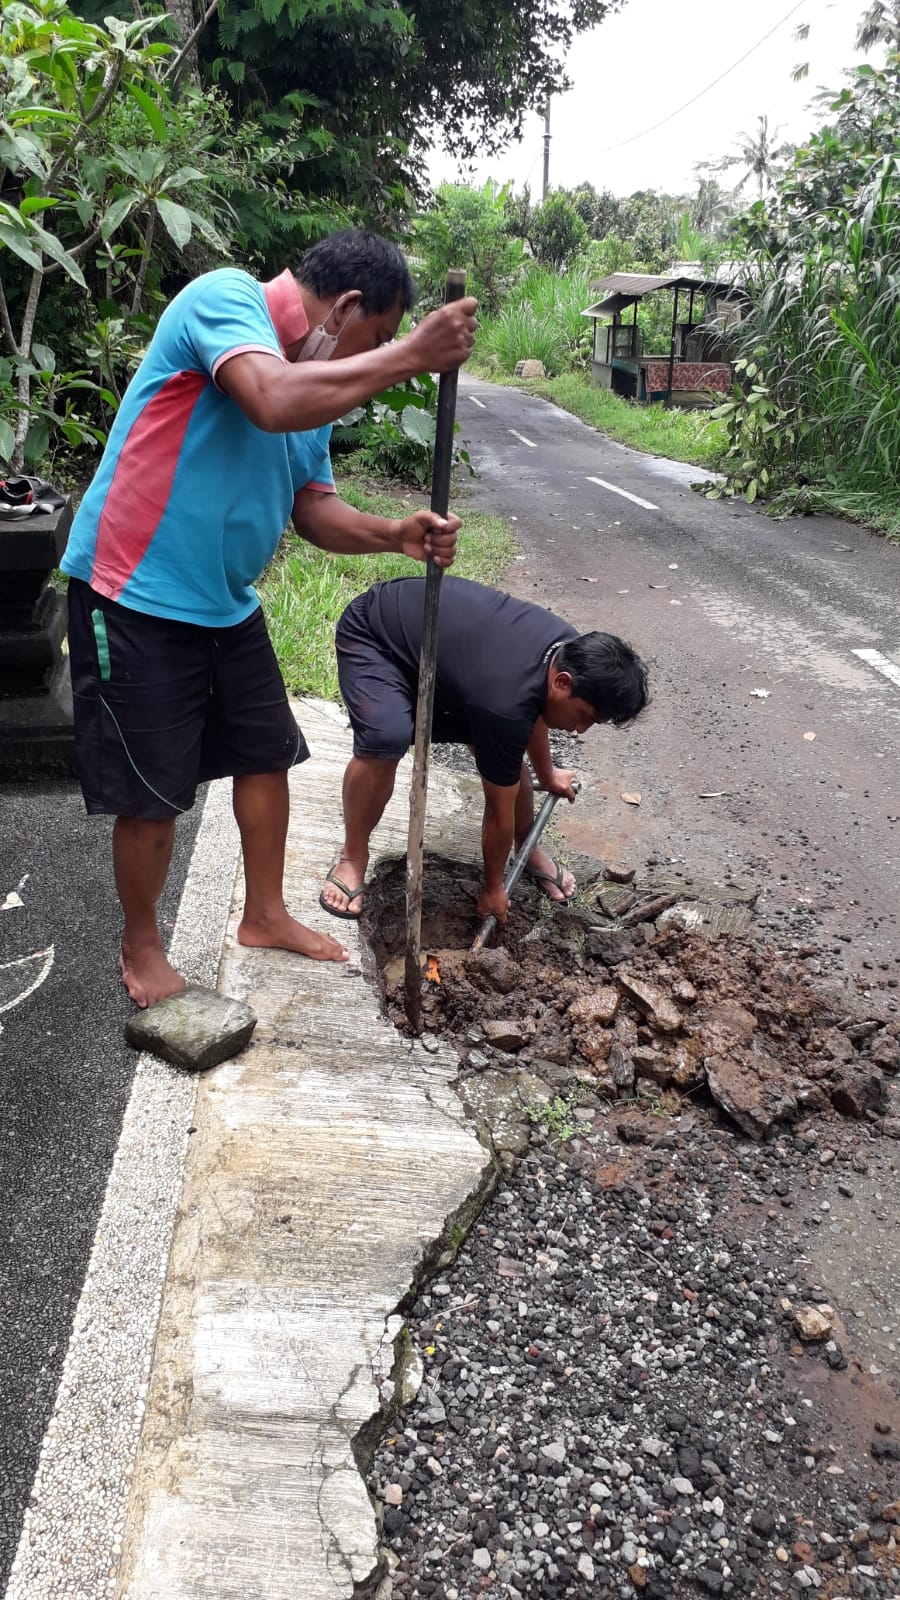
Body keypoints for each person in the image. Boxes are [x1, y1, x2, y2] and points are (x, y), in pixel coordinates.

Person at [60, 228, 478, 1008]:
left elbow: (312, 510)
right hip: (135, 594)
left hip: (225, 602)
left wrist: (394, 533)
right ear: (346, 306)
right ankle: (141, 944)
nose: (374, 357)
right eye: (376, 336)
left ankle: (264, 914)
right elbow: (269, 398)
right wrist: (412, 356)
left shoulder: (315, 385)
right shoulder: (226, 300)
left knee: (266, 755)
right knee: (153, 789)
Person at [319, 576, 649, 925]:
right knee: (386, 737)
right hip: (376, 636)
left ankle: (528, 849)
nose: (581, 730)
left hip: (450, 659)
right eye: (584, 717)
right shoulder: (505, 702)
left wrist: (547, 773)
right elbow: (498, 811)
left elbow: (533, 710)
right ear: (562, 682)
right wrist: (493, 889)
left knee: (505, 757)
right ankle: (352, 856)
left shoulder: (567, 652)